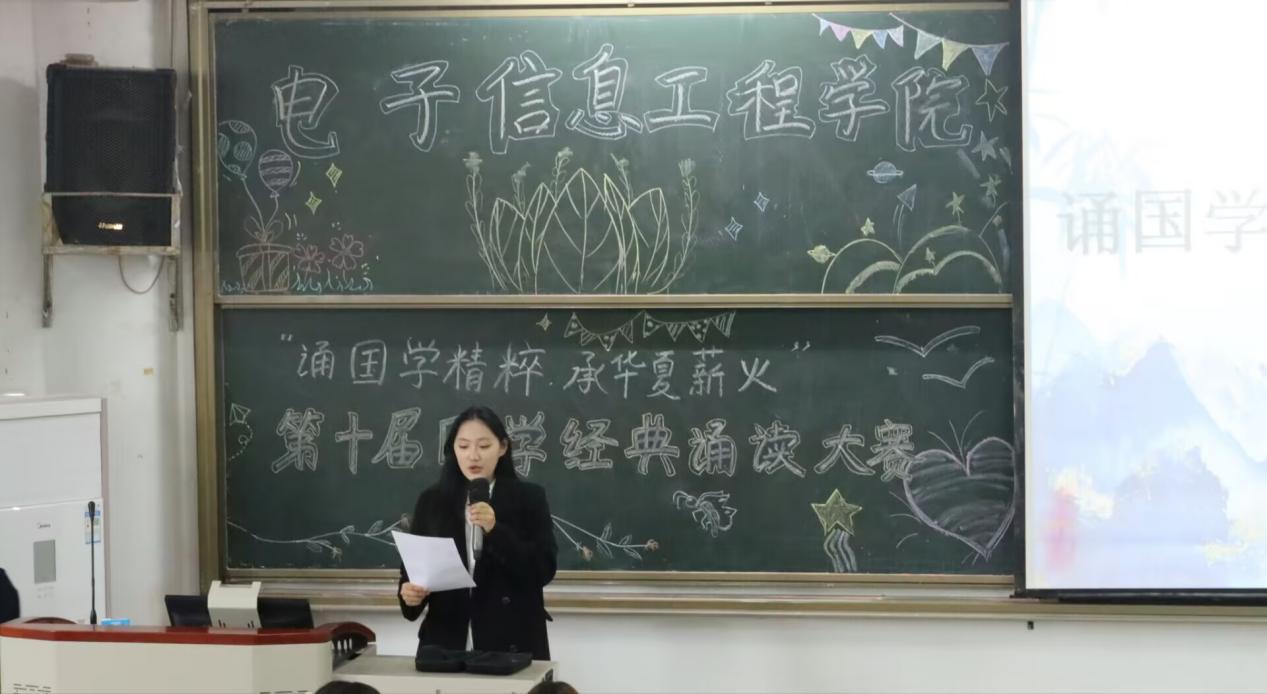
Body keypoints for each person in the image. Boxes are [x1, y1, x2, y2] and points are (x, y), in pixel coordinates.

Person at [398, 405, 558, 659]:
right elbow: (413, 574)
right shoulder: (432, 501)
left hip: (511, 647)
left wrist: (495, 530)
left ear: (502, 447)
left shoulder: (529, 498)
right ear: (453, 450)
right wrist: (410, 595)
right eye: (463, 446)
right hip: (445, 648)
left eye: (484, 446)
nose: (473, 456)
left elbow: (542, 570)